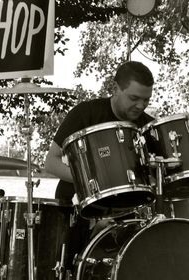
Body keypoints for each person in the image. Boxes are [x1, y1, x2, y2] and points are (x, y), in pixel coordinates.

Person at [45, 61, 154, 271]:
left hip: (126, 212)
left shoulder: (147, 126)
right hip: (76, 206)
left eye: (146, 100)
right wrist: (94, 183)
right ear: (115, 89)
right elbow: (51, 162)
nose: (141, 105)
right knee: (67, 269)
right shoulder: (85, 113)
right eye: (134, 98)